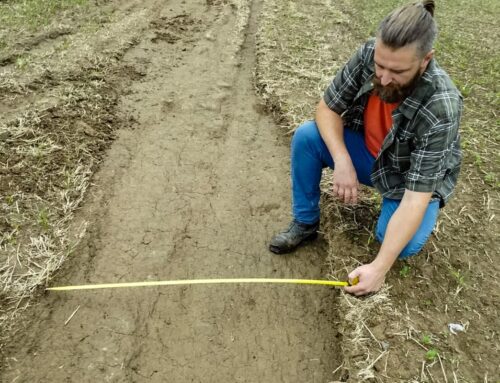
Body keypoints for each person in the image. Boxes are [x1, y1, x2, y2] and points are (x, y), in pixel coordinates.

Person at [269, 0, 462, 296]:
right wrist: (342, 159)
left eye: (396, 71)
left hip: (406, 177)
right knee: (308, 136)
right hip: (367, 155)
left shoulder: (441, 106)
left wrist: (378, 269)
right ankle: (305, 223)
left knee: (399, 244)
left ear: (425, 61)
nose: (383, 78)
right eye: (380, 66)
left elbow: (415, 199)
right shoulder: (368, 53)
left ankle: (390, 215)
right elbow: (327, 109)